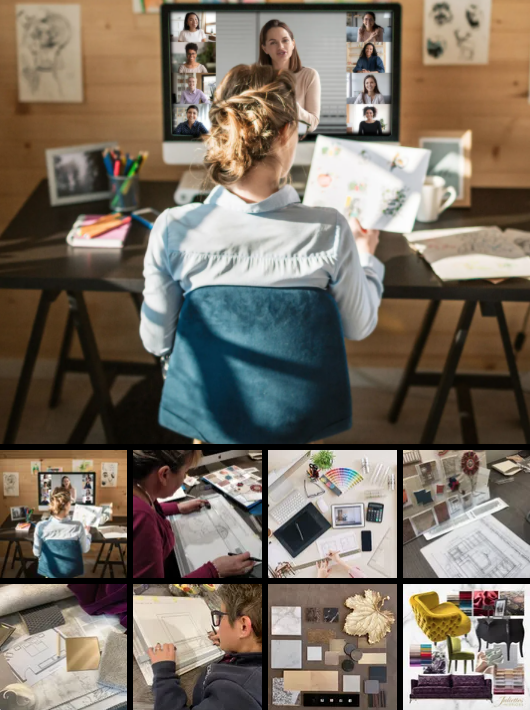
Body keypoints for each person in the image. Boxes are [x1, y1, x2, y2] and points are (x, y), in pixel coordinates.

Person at [140, 63, 383, 363]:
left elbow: (156, 342)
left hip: (204, 408)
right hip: (303, 408)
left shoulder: (170, 230)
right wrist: (366, 256)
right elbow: (359, 327)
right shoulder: (330, 231)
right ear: (285, 133)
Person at [132, 450, 256, 578]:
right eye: (185, 472)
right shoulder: (142, 518)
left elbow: (151, 507)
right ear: (164, 475)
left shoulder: (140, 488)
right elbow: (151, 592)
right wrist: (215, 570)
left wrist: (177, 507)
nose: (185, 477)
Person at [148, 584, 262, 710]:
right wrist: (234, 641)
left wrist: (164, 674)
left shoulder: (238, 695)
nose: (218, 624)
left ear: (244, 627)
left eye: (220, 616)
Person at [258, 19, 321, 132]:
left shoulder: (309, 75)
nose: (281, 46)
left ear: (293, 44)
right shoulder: (256, 78)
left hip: (295, 145)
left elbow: (312, 125)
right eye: (273, 42)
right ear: (265, 48)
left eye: (285, 40)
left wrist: (290, 102)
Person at [33, 488, 92, 577]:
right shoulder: (78, 526)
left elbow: (36, 553)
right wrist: (87, 534)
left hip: (50, 573)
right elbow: (85, 549)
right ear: (68, 504)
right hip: (72, 573)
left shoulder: (41, 526)